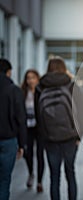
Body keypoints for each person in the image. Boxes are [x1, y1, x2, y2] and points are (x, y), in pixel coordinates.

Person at [35, 57, 79, 200]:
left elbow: (38, 115)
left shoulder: (40, 87)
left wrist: (43, 136)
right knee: (70, 173)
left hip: (49, 138)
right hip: (70, 137)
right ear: (63, 67)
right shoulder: (71, 84)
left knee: (54, 176)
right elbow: (81, 112)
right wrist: (78, 136)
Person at [0, 58, 27, 200]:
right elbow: (21, 119)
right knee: (4, 180)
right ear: (9, 72)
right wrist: (22, 144)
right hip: (8, 141)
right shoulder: (14, 90)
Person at [21, 69, 45, 192]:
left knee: (40, 155)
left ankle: (40, 181)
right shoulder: (23, 93)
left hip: (39, 128)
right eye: (28, 78)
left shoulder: (42, 92)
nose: (30, 80)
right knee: (27, 153)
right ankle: (31, 173)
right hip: (27, 127)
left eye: (33, 77)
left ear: (37, 78)